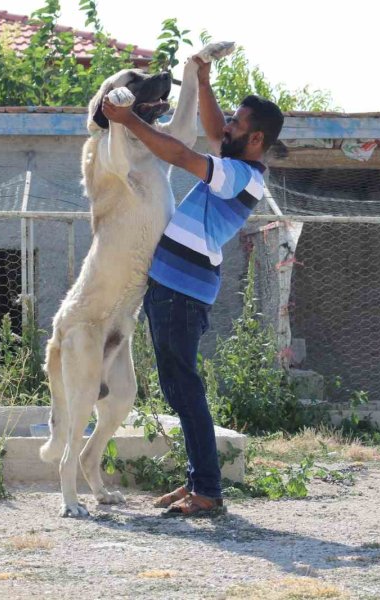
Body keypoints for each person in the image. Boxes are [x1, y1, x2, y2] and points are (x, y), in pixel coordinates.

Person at [102, 56, 284, 517]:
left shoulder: (241, 176)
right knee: (180, 390)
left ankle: (207, 491)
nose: (227, 127)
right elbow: (211, 124)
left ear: (256, 138)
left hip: (182, 293)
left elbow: (181, 155)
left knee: (185, 390)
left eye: (237, 124)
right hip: (173, 290)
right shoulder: (234, 162)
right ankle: (198, 484)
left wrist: (127, 122)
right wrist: (201, 79)